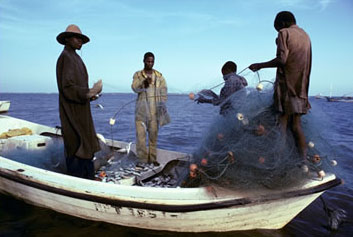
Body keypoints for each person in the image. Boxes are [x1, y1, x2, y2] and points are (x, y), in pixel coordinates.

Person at [249, 11, 312, 159]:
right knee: (297, 126)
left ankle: (279, 162)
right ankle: (303, 161)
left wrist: (260, 65)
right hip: (301, 88)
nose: (278, 32)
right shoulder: (305, 35)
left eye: (277, 28)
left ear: (282, 24)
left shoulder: (284, 32)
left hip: (287, 87)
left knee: (281, 125)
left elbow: (282, 60)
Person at [56, 24, 102, 179]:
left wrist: (91, 95)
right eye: (77, 38)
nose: (80, 41)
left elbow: (78, 88)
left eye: (81, 39)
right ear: (67, 39)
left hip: (81, 111)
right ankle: (78, 183)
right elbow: (68, 88)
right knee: (76, 145)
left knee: (86, 145)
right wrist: (89, 92)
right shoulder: (66, 57)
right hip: (72, 113)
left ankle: (88, 179)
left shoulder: (75, 57)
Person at [131, 52, 170, 166]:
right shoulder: (138, 75)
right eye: (148, 61)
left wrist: (162, 105)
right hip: (141, 113)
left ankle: (152, 159)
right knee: (141, 138)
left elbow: (164, 91)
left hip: (154, 113)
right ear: (143, 61)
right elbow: (134, 88)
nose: (150, 63)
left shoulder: (159, 76)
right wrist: (143, 82)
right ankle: (142, 160)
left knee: (153, 138)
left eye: (152, 61)